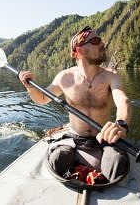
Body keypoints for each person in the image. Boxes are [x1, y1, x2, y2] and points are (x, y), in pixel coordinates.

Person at [19, 26, 131, 183]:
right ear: (79, 51)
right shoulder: (64, 77)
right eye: (96, 40)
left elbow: (123, 101)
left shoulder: (111, 76)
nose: (102, 43)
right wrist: (30, 87)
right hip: (74, 138)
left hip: (103, 139)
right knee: (57, 160)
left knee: (117, 166)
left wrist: (121, 124)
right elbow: (42, 99)